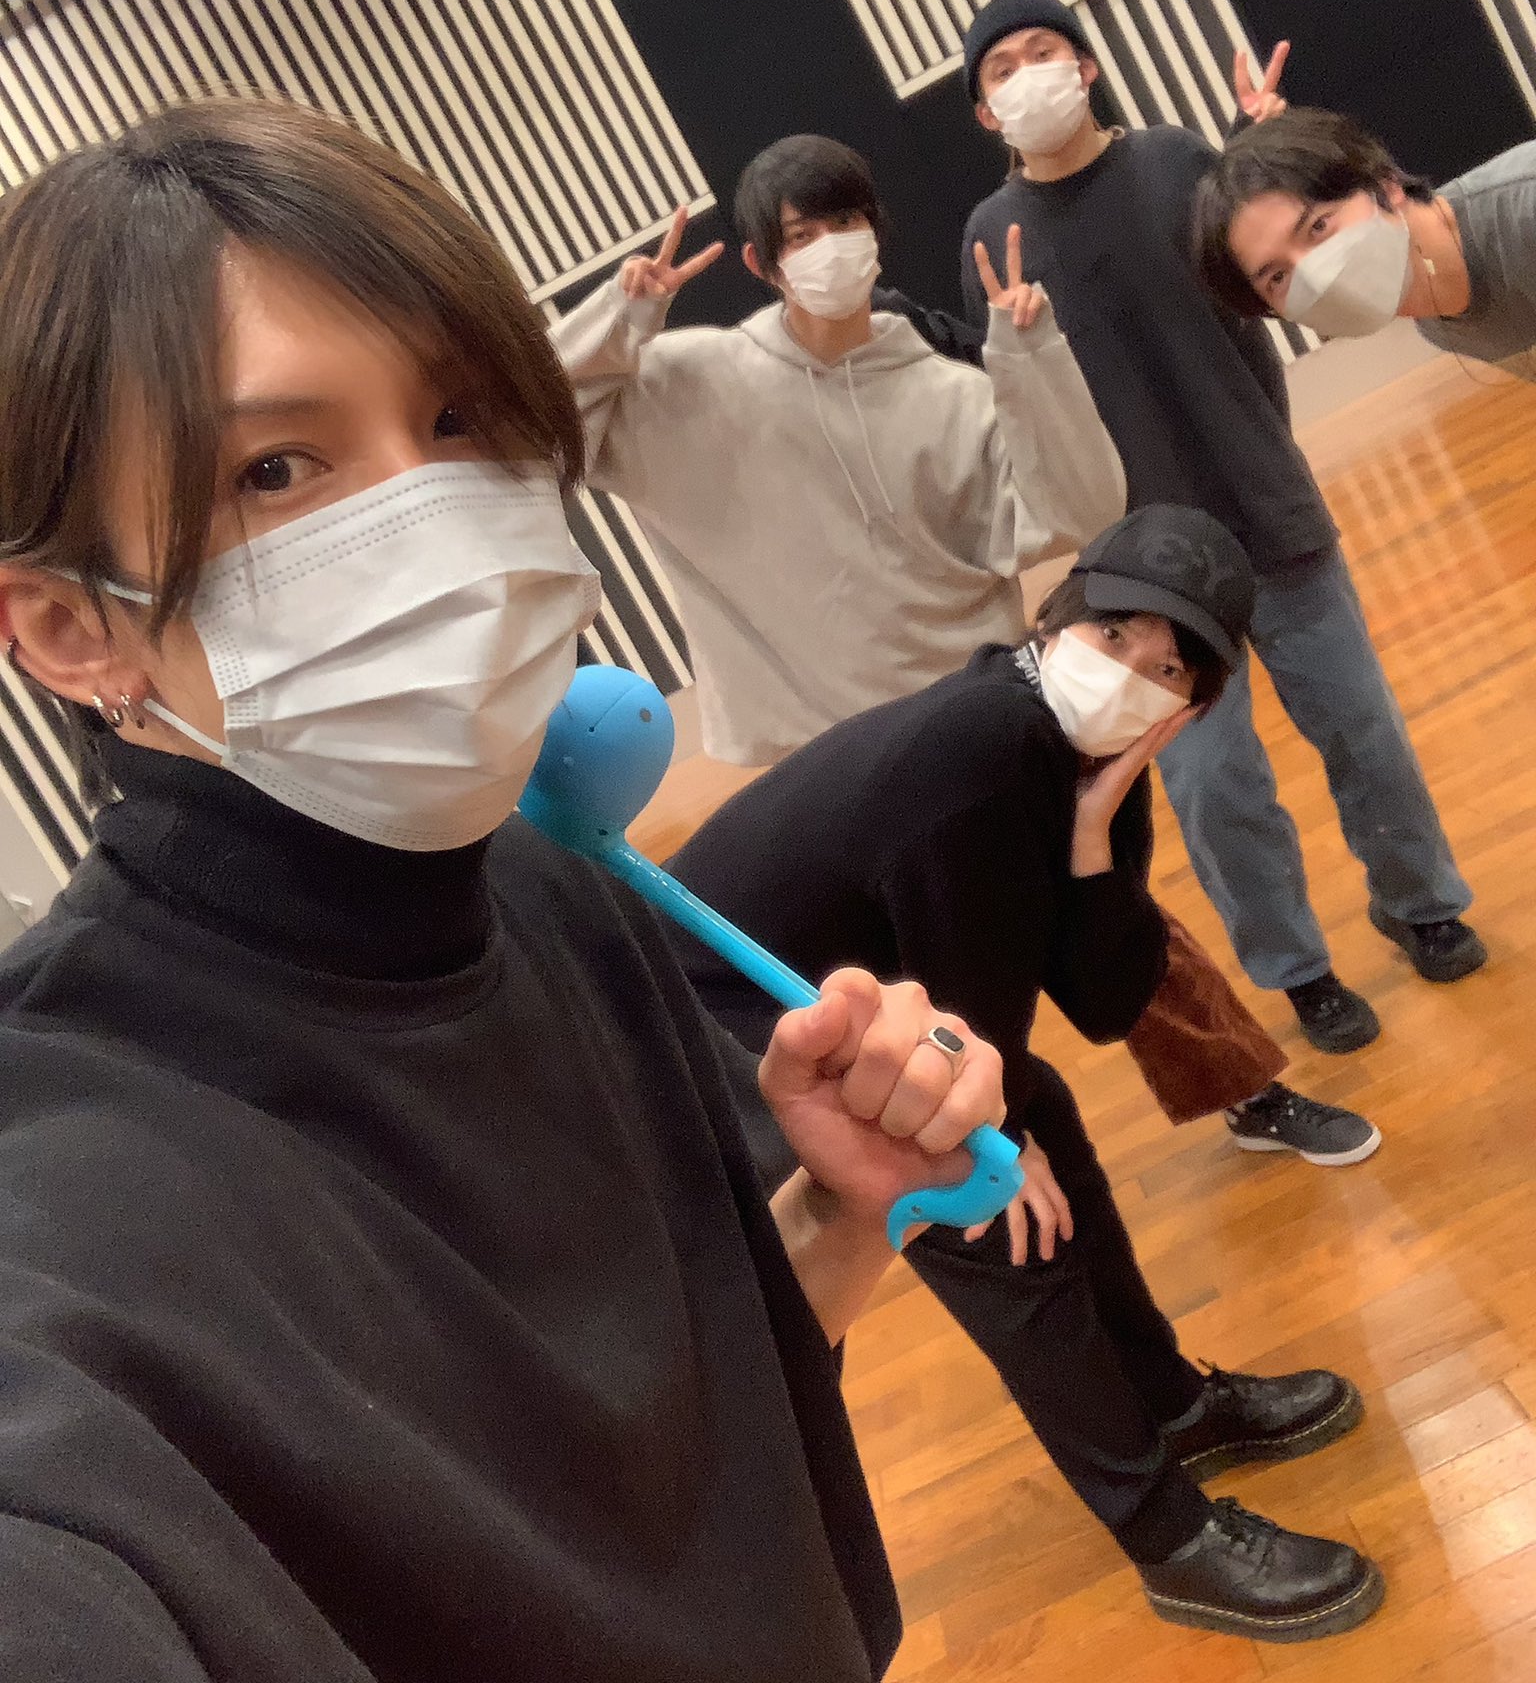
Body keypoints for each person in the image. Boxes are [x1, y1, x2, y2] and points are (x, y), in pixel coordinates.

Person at [0, 97, 1020, 1683]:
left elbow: (635, 1488)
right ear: (76, 630)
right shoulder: (64, 1189)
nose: (432, 519)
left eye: (459, 416)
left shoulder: (551, 891)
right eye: (277, 468)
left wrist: (836, 1214)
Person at [668, 505, 1384, 1645]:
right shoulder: (987, 744)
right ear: (1058, 619)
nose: (1130, 672)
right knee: (996, 1211)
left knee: (1034, 1115)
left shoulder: (1088, 770)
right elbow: (969, 1014)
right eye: (1115, 633)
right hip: (722, 1034)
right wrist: (997, 1152)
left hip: (864, 1011)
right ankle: (1168, 1536)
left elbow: (1103, 1000)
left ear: (1193, 707)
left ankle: (1170, 1403)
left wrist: (1094, 839)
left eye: (1169, 667)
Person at [958, 0, 1484, 1053]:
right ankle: (1299, 973)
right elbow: (1026, 425)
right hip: (1141, 575)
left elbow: (1274, 266)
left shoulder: (1173, 162)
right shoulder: (990, 239)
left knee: (1364, 730)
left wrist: (1273, 153)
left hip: (1263, 498)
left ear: (1086, 65)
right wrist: (1017, 343)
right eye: (1001, 68)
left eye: (1043, 51)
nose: (1026, 76)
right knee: (1217, 789)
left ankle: (1420, 901)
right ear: (983, 110)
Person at [549, 133, 1125, 767]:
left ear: (874, 232)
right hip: (815, 763)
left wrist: (1031, 357)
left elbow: (1079, 513)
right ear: (761, 263)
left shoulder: (957, 397)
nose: (830, 246)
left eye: (846, 222)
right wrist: (619, 318)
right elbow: (537, 427)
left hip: (972, 725)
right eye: (802, 236)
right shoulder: (686, 386)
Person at [1188, 104, 1536, 377]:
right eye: (1278, 277)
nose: (1315, 277)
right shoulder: (1431, 315)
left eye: (1318, 227)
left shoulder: (1525, 212)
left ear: (1385, 184)